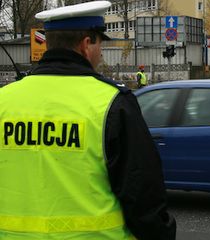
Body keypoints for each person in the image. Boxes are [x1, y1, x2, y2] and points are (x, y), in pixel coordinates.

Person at [0, 1, 175, 239]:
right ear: (86, 45)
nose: (101, 53)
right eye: (100, 44)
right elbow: (143, 195)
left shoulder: (4, 100)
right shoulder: (113, 102)